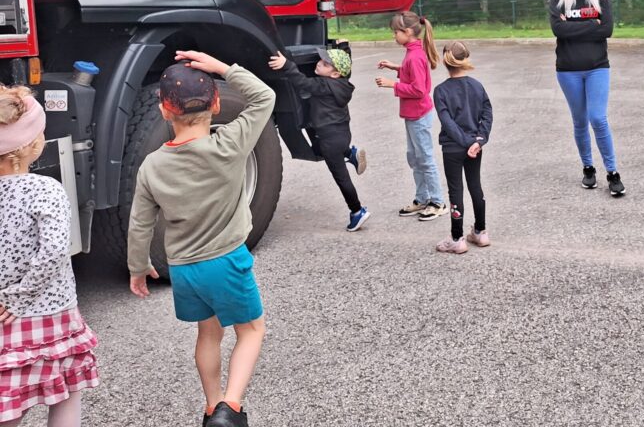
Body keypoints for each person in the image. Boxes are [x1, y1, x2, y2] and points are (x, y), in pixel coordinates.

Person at [127, 51, 275, 427]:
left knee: (209, 334)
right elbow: (264, 97)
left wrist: (138, 266)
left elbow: (140, 223)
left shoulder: (152, 166)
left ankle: (211, 407)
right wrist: (223, 68)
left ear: (164, 111)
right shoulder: (229, 144)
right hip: (227, 261)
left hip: (184, 269)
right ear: (217, 104)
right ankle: (231, 408)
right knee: (251, 331)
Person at [0, 87, 99, 427]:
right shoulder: (46, 189)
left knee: (9, 400)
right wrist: (21, 295)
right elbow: (55, 249)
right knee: (66, 392)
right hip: (51, 312)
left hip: (4, 317)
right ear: (28, 145)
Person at [548, 0, 624, 197]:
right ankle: (588, 168)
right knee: (579, 121)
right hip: (568, 70)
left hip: (597, 68)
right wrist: (592, 24)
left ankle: (612, 173)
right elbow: (559, 30)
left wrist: (574, 25)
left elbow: (607, 30)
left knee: (598, 119)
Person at [268, 47, 369, 232]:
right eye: (320, 61)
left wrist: (287, 65)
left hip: (330, 140)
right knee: (319, 149)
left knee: (342, 179)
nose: (319, 64)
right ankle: (350, 153)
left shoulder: (323, 86)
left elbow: (302, 82)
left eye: (324, 64)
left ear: (335, 74)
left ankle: (357, 211)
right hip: (343, 135)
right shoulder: (343, 85)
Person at [375, 12, 448, 221]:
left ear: (407, 32)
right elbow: (410, 72)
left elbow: (419, 89)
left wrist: (393, 84)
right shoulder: (412, 52)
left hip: (419, 115)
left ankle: (437, 202)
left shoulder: (415, 56)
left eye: (395, 32)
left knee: (425, 158)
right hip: (412, 114)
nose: (394, 36)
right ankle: (422, 198)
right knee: (414, 157)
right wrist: (395, 68)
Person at [432, 42, 493, 255]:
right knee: (475, 186)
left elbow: (447, 123)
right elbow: (487, 114)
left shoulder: (440, 91)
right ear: (466, 58)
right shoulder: (477, 86)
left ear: (445, 61)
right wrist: (478, 141)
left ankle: (457, 238)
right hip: (475, 146)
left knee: (456, 190)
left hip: (453, 148)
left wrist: (467, 142)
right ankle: (480, 232)